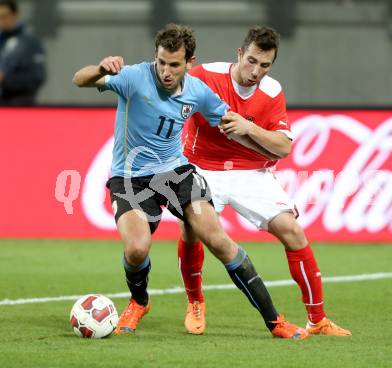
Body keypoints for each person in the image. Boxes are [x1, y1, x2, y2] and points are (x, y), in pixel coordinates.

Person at [72, 23, 308, 340]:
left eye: (174, 64)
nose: (166, 72)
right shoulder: (133, 77)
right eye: (162, 62)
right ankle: (139, 302)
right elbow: (80, 80)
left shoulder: (198, 92)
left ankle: (275, 321)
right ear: (155, 58)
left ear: (189, 63)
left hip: (177, 174)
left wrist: (266, 151)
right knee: (137, 250)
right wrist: (100, 68)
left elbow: (233, 128)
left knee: (219, 241)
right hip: (131, 179)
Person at [178, 26, 351, 336]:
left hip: (251, 171)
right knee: (191, 229)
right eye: (252, 61)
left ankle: (318, 319)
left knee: (292, 231)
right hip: (201, 167)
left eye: (265, 65)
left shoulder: (271, 92)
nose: (256, 71)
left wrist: (248, 127)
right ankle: (195, 303)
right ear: (240, 54)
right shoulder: (206, 75)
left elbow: (284, 147)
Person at [0, 0, 46, 106]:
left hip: (21, 106)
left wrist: (5, 79)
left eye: (4, 16)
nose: (1, 21)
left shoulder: (30, 41)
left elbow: (38, 77)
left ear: (15, 14)